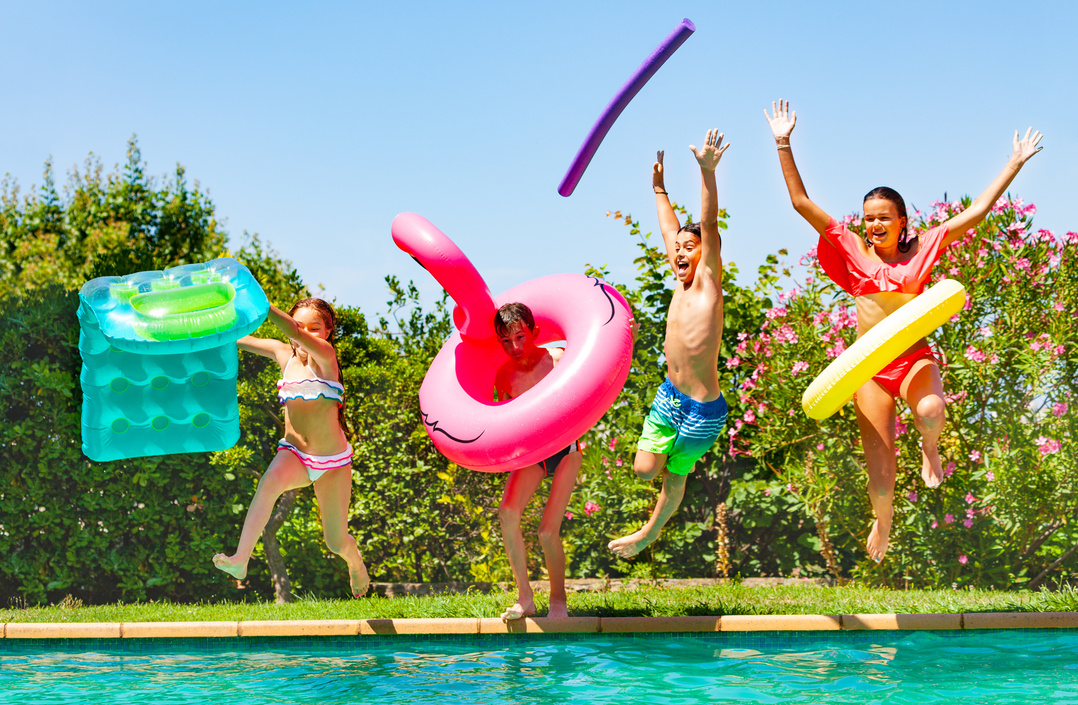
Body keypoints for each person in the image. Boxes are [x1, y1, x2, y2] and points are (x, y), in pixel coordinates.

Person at [764, 99, 1043, 561]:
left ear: (901, 222)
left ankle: (930, 449)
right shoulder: (850, 247)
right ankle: (884, 523)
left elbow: (975, 215)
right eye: (869, 217)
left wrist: (1012, 164)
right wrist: (782, 141)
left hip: (913, 359)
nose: (874, 224)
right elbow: (800, 202)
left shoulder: (923, 247)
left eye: (883, 217)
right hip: (869, 369)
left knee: (931, 410)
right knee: (880, 472)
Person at [608, 128, 731, 559]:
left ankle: (649, 532)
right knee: (645, 471)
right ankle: (650, 525)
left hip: (703, 410)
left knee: (673, 480)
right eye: (676, 248)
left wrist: (706, 172)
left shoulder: (707, 286)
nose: (678, 251)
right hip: (669, 397)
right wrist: (659, 188)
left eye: (688, 247)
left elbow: (709, 224)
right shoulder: (679, 282)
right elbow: (668, 228)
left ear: (706, 255)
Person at [213, 298, 369, 597]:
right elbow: (235, 339)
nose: (308, 334)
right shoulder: (282, 353)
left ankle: (355, 562)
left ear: (327, 332)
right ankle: (240, 560)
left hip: (332, 462)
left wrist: (261, 303)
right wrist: (203, 329)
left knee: (335, 542)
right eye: (301, 326)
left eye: (316, 328)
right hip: (295, 454)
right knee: (268, 483)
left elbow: (295, 332)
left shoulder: (325, 356)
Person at [493, 302, 582, 621]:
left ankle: (558, 601)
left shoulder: (556, 359)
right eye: (505, 341)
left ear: (534, 332)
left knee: (547, 531)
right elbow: (504, 421)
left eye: (520, 336)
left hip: (566, 450)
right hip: (533, 455)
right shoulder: (504, 376)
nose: (514, 347)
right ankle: (525, 598)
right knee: (507, 512)